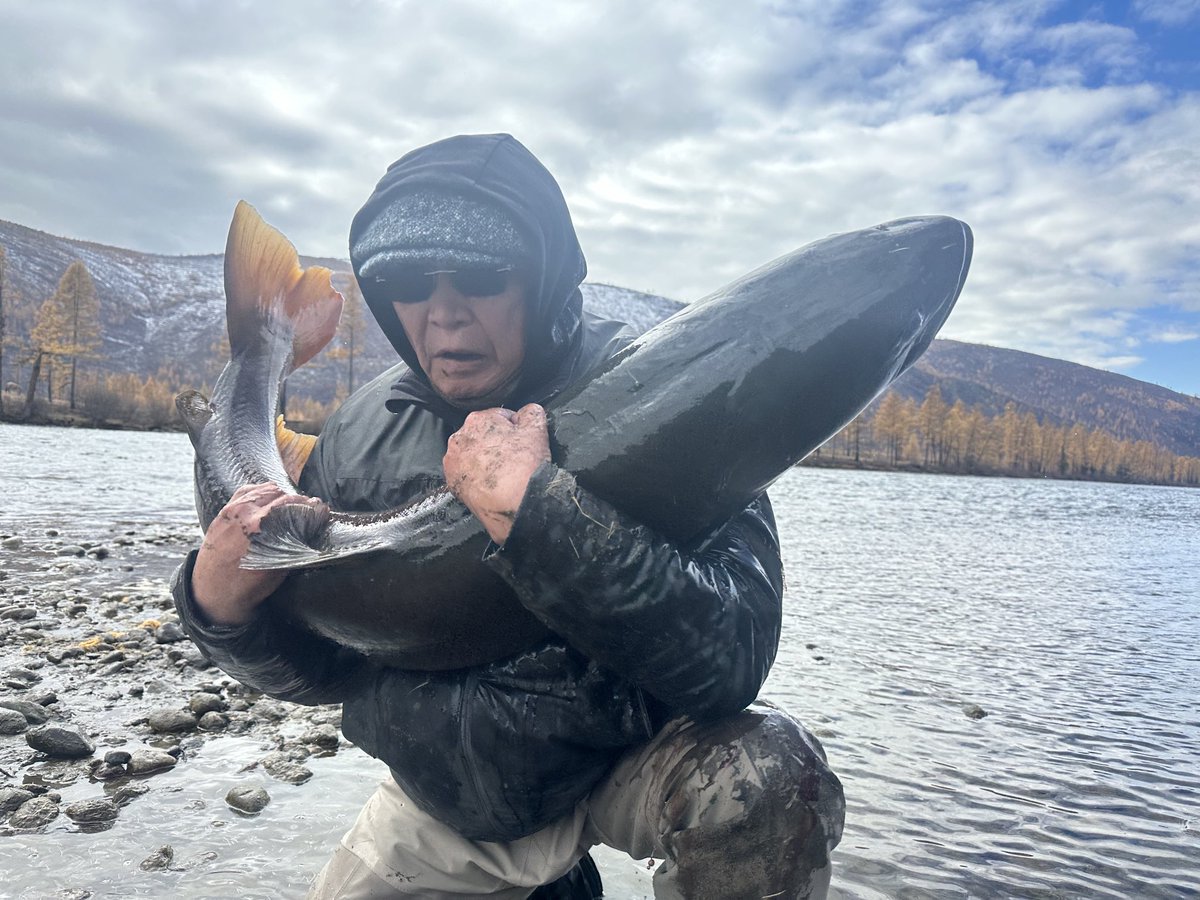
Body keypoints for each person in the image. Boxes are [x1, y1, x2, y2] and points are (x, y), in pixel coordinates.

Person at [173, 133, 845, 899]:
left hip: (613, 759)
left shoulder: (661, 395)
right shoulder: (363, 427)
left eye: (484, 277)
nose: (446, 315)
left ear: (543, 278)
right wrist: (221, 614)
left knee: (765, 775)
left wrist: (544, 516)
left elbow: (734, 654)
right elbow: (330, 662)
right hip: (441, 797)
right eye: (409, 283)